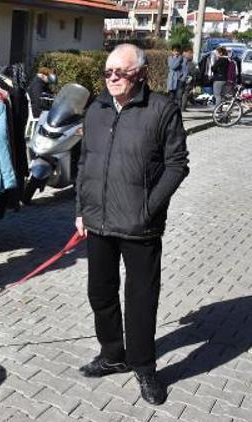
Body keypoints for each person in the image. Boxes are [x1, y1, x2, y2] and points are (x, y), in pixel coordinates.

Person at [75, 44, 189, 406]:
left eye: (118, 72)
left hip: (141, 225)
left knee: (140, 301)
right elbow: (85, 164)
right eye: (107, 72)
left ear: (138, 73)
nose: (111, 78)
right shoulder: (96, 109)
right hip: (99, 222)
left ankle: (144, 367)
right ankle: (113, 353)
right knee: (100, 292)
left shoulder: (161, 110)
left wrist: (149, 208)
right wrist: (81, 209)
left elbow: (177, 165)